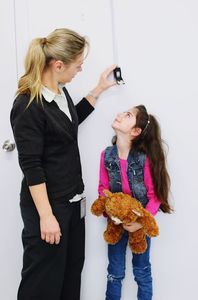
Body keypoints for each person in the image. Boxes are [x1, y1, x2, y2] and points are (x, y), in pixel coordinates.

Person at [10, 28, 117, 300]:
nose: (79, 70)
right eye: (78, 65)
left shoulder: (60, 91)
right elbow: (31, 166)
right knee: (43, 284)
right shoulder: (27, 105)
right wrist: (46, 217)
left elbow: (69, 123)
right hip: (49, 208)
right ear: (58, 65)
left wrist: (99, 89)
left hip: (72, 203)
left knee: (70, 277)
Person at [97, 105, 172, 300]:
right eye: (122, 111)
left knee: (142, 271)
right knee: (114, 272)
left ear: (135, 131)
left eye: (127, 115)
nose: (119, 114)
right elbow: (102, 188)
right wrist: (112, 214)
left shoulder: (143, 159)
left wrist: (140, 222)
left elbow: (154, 195)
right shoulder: (106, 155)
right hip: (115, 223)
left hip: (140, 223)